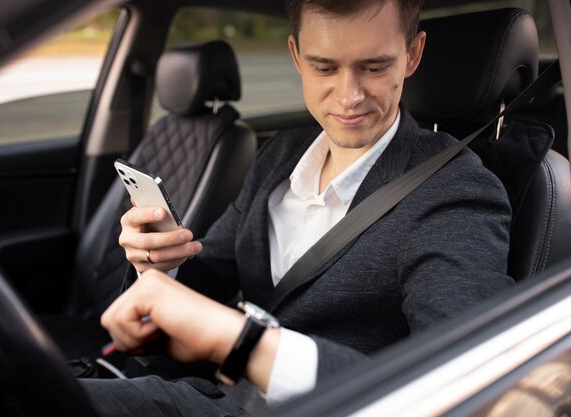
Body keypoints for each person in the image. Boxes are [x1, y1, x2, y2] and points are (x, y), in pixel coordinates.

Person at [81, 0, 515, 415]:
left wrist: (241, 342)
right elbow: (212, 268)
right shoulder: (280, 156)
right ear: (296, 55)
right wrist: (161, 265)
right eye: (324, 67)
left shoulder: (457, 192)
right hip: (211, 393)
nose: (349, 96)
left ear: (412, 54)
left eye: (375, 66)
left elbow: (463, 379)